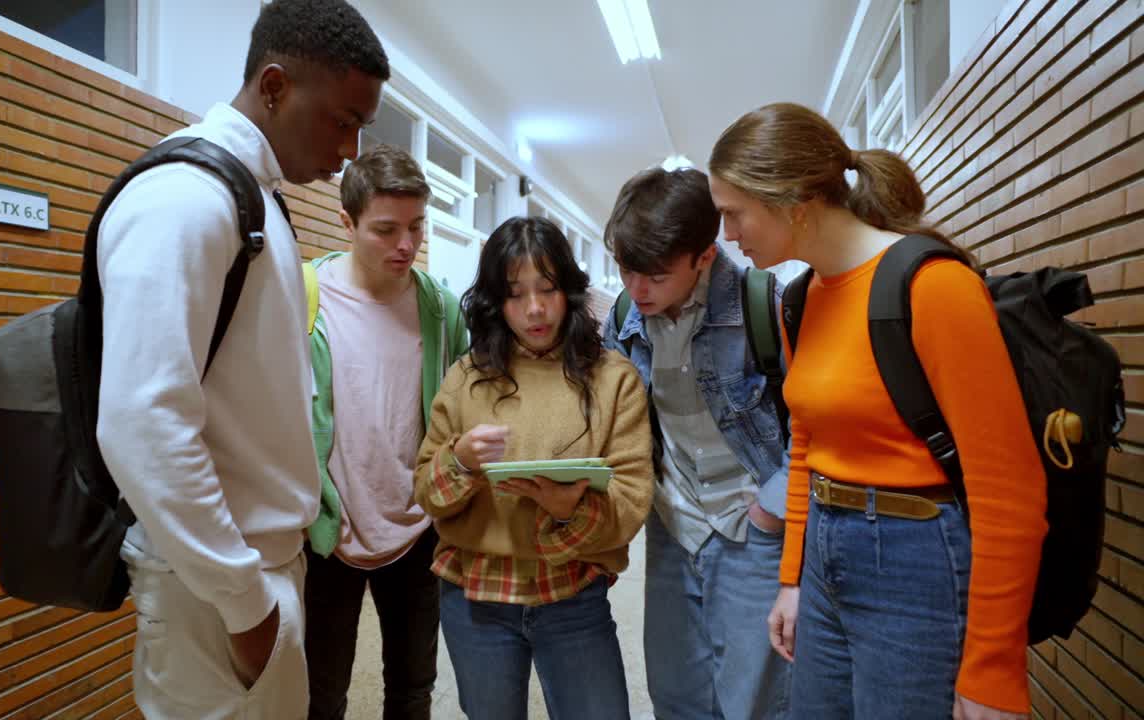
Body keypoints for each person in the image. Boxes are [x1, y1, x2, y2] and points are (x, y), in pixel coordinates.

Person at [93, 1, 388, 717]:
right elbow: (141, 422)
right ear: (276, 86)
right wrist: (244, 604)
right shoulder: (187, 197)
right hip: (219, 592)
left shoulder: (255, 198)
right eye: (342, 120)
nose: (350, 151)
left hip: (252, 572)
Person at [708, 102, 1045, 720]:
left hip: (915, 555)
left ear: (792, 202)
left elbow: (1009, 490)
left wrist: (993, 669)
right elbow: (806, 443)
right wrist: (792, 579)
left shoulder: (933, 287)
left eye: (734, 213)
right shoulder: (803, 299)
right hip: (825, 552)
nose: (728, 234)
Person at [412, 216, 654, 720]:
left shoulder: (613, 379)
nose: (536, 309)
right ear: (496, 302)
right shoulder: (466, 377)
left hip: (574, 595)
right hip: (476, 595)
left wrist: (570, 510)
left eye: (547, 289)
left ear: (568, 290)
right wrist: (458, 461)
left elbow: (631, 496)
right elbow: (426, 492)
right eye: (516, 294)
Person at [602, 167, 793, 720]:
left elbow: (814, 424)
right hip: (673, 522)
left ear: (704, 257)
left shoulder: (766, 304)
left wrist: (770, 512)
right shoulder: (625, 316)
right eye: (626, 270)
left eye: (656, 276)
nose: (638, 290)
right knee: (676, 692)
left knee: (754, 699)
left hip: (753, 527)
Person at [301, 144, 469, 720]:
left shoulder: (442, 310)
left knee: (412, 688)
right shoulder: (303, 299)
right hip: (329, 530)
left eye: (417, 226)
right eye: (386, 229)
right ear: (346, 222)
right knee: (320, 696)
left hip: (417, 529)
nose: (406, 244)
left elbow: (460, 409)